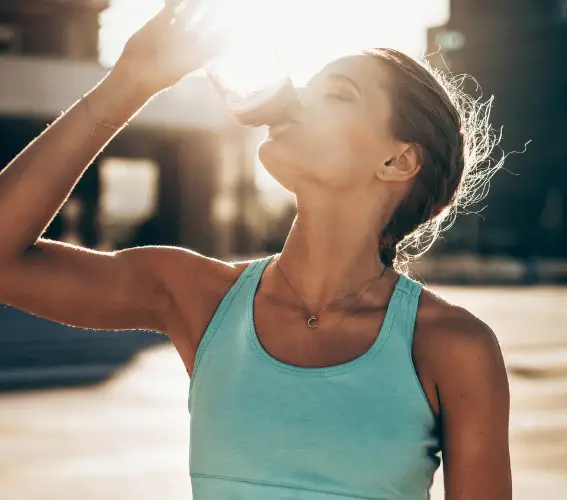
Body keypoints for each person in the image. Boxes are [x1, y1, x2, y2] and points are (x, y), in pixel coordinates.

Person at [0, 7, 511, 500]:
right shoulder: (200, 298)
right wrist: (129, 82)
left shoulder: (453, 346)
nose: (295, 99)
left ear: (397, 160)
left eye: (336, 94)